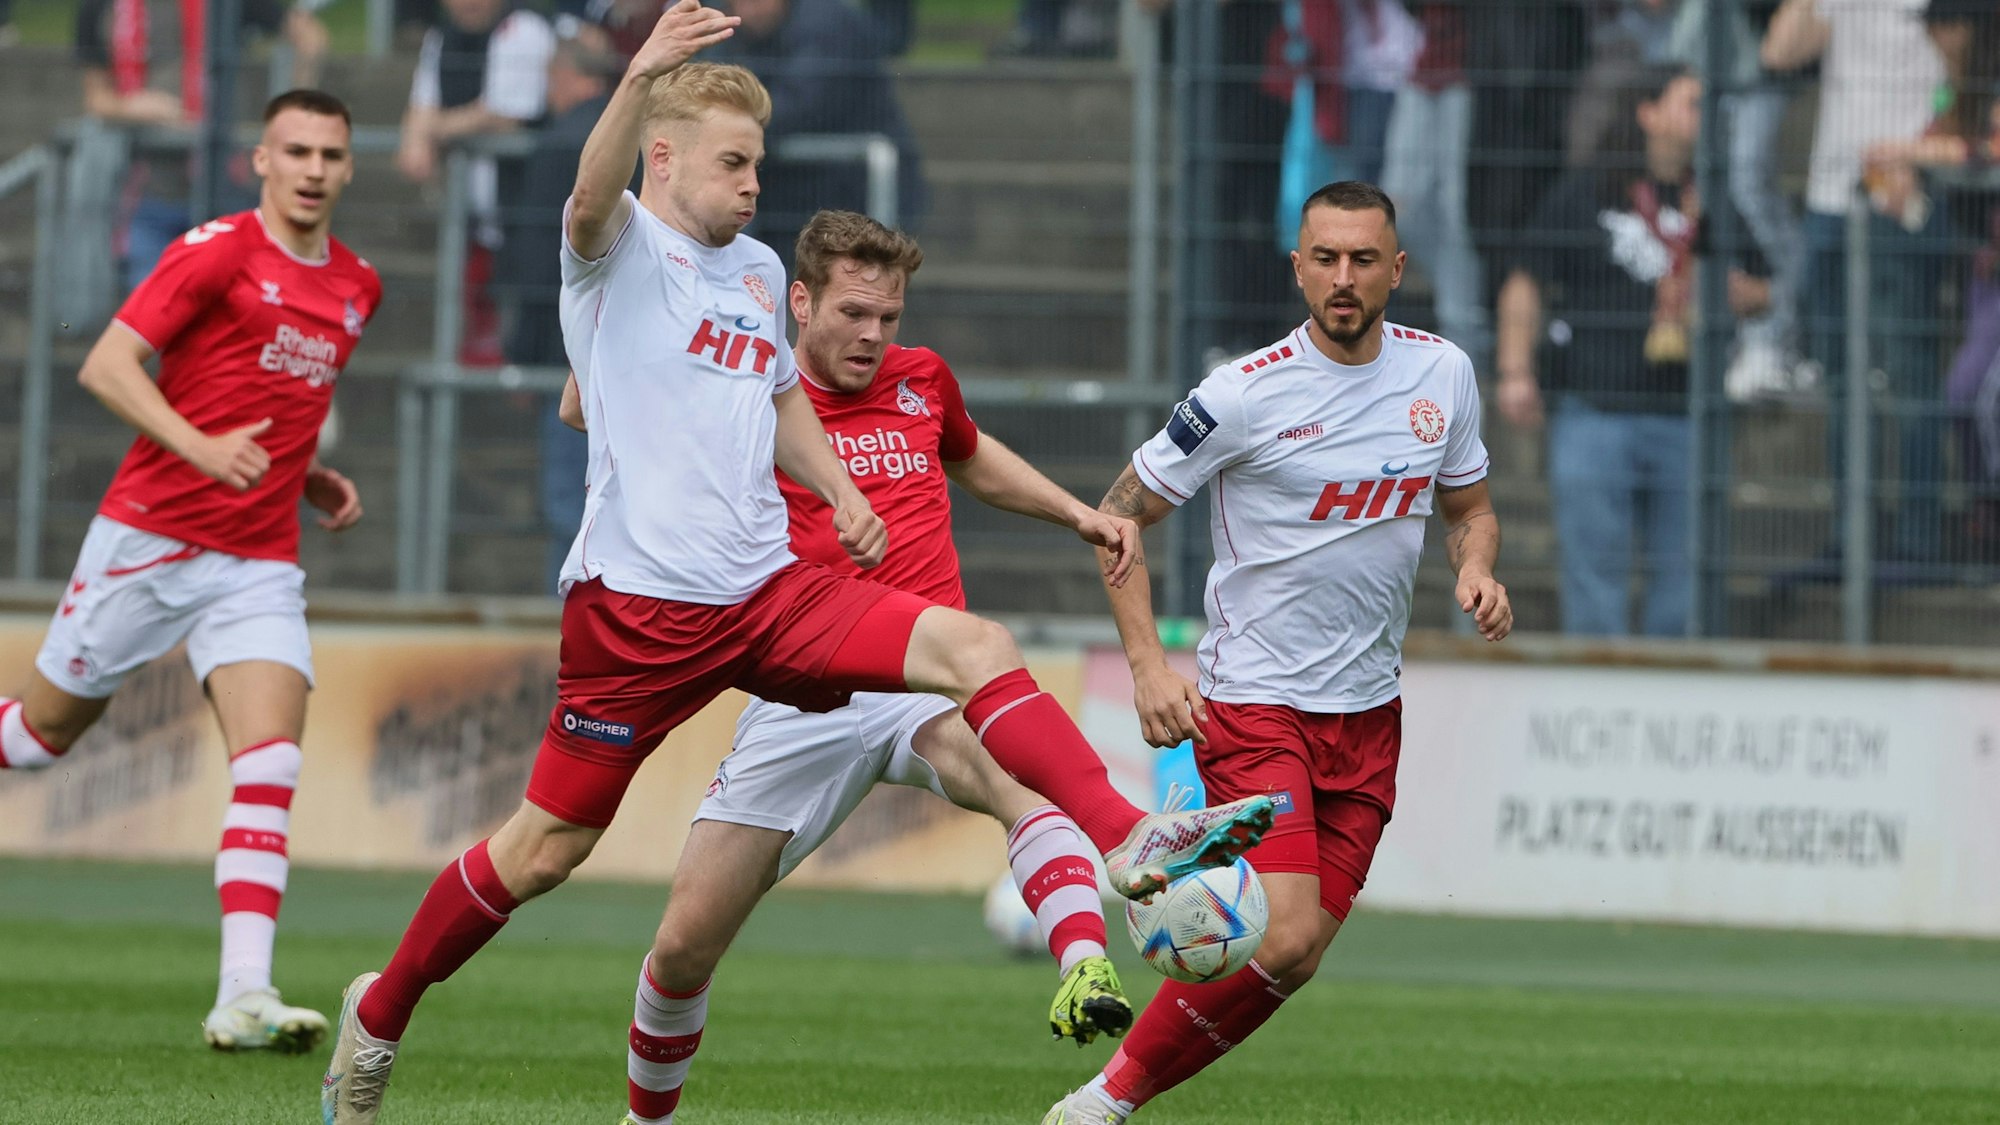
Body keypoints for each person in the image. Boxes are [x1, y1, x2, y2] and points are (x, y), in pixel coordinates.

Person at [319, 12, 1273, 1122]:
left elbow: (775, 395)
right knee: (542, 853)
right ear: (662, 158)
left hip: (771, 597)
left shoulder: (761, 270)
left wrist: (838, 487)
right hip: (636, 618)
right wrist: (639, 75)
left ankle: (1128, 836)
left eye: (758, 163)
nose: (752, 182)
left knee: (976, 644)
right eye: (733, 161)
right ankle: (380, 1013)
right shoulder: (615, 241)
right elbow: (586, 193)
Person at [555, 209, 1140, 1121]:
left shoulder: (922, 382)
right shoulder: (744, 386)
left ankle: (1083, 967)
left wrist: (1077, 514)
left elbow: (974, 460)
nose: (874, 335)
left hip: (925, 669)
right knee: (681, 947)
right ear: (798, 301)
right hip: (806, 686)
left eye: (889, 317)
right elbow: (585, 402)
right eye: (854, 313)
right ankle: (645, 1119)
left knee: (1023, 779)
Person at [1041, 180, 1513, 1124]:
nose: (1344, 279)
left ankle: (1102, 1094)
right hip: (1256, 702)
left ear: (1396, 270)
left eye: (1363, 260)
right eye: (1325, 259)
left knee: (1292, 954)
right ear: (1296, 266)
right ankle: (1108, 1097)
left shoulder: (1443, 375)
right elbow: (1117, 517)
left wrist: (1480, 569)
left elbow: (1470, 509)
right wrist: (1145, 665)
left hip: (1370, 713)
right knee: (1286, 924)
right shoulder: (1242, 395)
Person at [0, 90, 378, 1053]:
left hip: (256, 562)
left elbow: (273, 402)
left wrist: (307, 478)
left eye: (329, 154)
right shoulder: (215, 250)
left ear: (347, 165)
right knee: (38, 740)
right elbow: (111, 365)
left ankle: (243, 994)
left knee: (272, 759)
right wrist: (200, 447)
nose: (312, 169)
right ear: (260, 159)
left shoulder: (357, 285)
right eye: (294, 151)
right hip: (151, 540)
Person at [1496, 67, 1770, 637]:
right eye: (1691, 101)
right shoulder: (1588, 191)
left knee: (1687, 576)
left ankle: (1673, 697)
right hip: (1594, 413)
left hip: (1687, 419)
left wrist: (1742, 295)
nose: (1704, 114)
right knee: (1594, 576)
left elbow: (1763, 284)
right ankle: (1594, 700)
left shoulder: (1709, 197)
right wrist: (1515, 370)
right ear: (1648, 112)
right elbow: (1525, 281)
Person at [1764, 0, 1949, 576]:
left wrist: (1922, 158)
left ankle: (1920, 541)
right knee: (1843, 380)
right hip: (1832, 199)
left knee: (1912, 375)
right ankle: (1853, 540)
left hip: (1905, 195)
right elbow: (1779, 52)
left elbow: (1961, 75)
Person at [74, 0, 330, 294]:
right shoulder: (100, 5)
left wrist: (291, 117)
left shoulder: (225, 5)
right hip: (145, 193)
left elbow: (310, 37)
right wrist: (134, 107)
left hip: (226, 189)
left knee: (231, 313)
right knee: (153, 316)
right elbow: (96, 98)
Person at [496, 34, 625, 586]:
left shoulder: (560, 145)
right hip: (643, 349)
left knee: (572, 501)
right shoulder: (635, 142)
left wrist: (522, 348)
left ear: (570, 77)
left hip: (570, 354)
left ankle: (571, 631)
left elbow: (537, 261)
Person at [399, 0, 558, 364]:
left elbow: (505, 113)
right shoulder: (440, 38)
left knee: (528, 327)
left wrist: (431, 132)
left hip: (529, 210)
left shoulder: (523, 29)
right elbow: (421, 106)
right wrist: (415, 138)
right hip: (471, 215)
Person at [714, 0, 925, 272]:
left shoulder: (827, 25)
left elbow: (801, 104)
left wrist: (723, 126)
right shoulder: (741, 29)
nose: (746, 7)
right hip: (800, 195)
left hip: (852, 193)